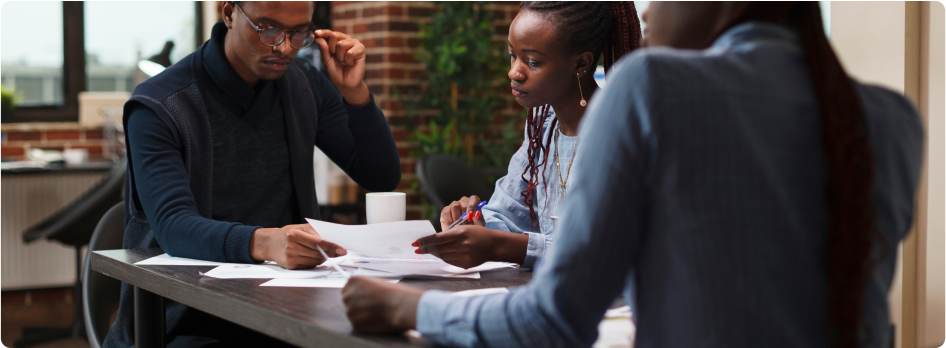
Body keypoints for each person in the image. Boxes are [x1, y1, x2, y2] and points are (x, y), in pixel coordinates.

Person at [341, 1, 925, 348]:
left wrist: (406, 309)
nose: (645, 10)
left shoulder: (647, 87)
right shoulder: (892, 117)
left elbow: (554, 321)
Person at [105, 1, 401, 347]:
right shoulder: (161, 105)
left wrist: (355, 94)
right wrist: (267, 242)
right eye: (269, 29)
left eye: (298, 32)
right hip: (185, 317)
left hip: (289, 305)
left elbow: (380, 177)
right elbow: (173, 226)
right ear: (229, 13)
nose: (285, 47)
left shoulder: (304, 85)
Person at [414, 1, 642, 270]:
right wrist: (476, 222)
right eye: (512, 55)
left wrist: (499, 245)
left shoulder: (622, 133)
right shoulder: (543, 125)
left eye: (532, 61)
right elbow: (508, 212)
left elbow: (603, 246)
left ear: (581, 63)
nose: (513, 72)